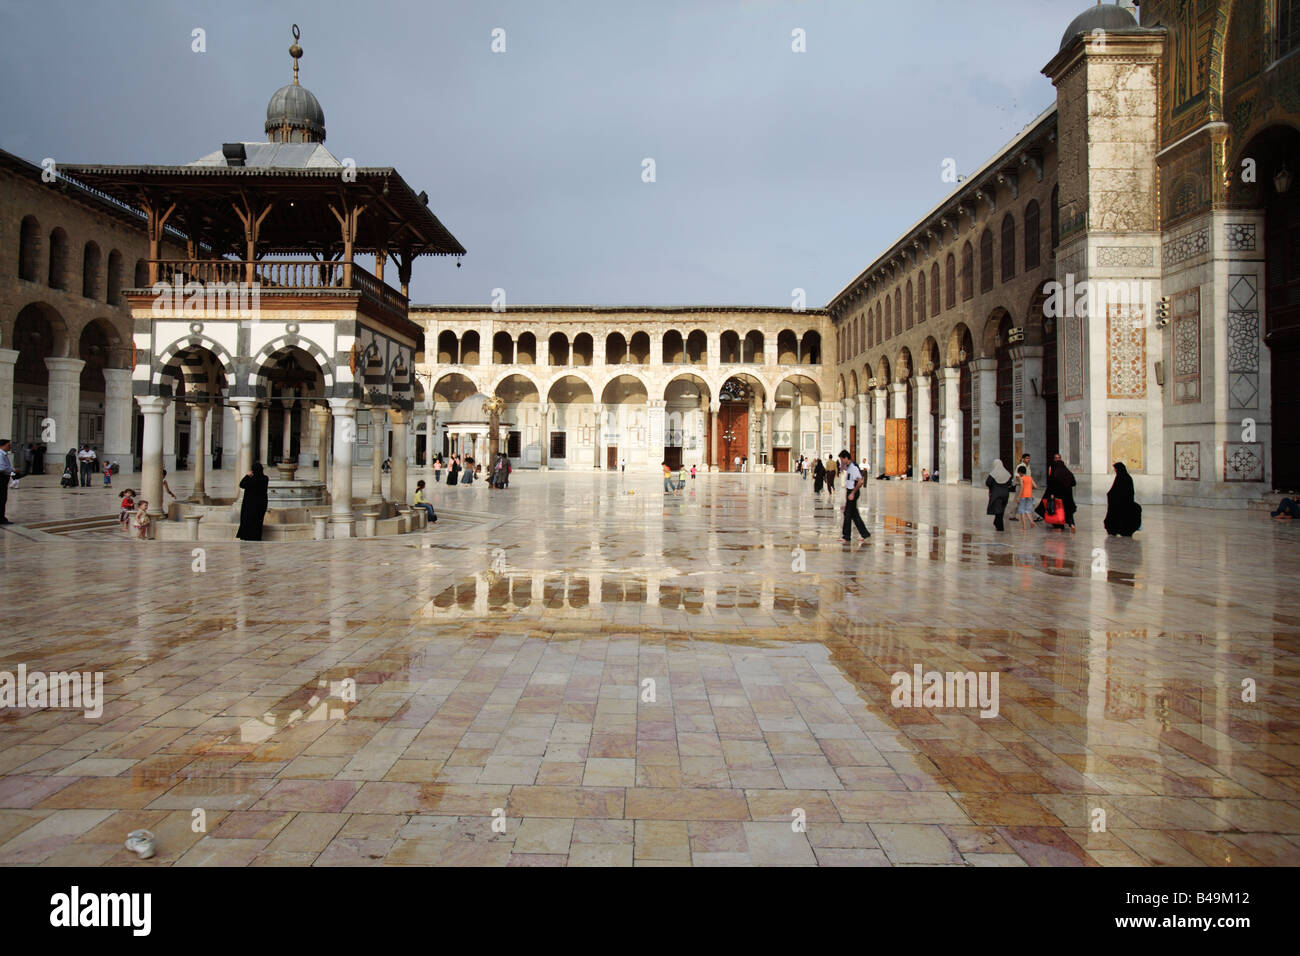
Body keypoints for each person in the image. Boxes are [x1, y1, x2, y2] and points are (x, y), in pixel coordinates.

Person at [1037, 453, 1078, 532]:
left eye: (1058, 458)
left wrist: (1052, 494)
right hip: (1068, 495)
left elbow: (1052, 484)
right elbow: (1074, 483)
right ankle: (1072, 524)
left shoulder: (1055, 473)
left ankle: (1059, 527)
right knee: (1068, 510)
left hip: (1059, 495)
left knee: (1059, 510)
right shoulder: (1067, 472)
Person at [838, 449, 871, 544]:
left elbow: (860, 481)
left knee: (847, 514)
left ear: (846, 458)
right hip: (850, 491)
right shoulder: (849, 467)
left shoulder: (853, 468)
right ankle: (865, 534)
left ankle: (846, 536)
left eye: (842, 459)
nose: (841, 462)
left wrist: (852, 493)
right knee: (854, 515)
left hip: (853, 492)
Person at [1104, 461, 1141, 536]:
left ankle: (1117, 529)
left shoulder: (1121, 478)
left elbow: (1117, 491)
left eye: (1115, 469)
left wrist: (1111, 495)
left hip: (1122, 503)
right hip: (1125, 501)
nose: (1115, 471)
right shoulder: (1126, 477)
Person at [236, 463, 270, 541]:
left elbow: (241, 484)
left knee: (248, 521)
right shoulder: (265, 478)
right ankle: (256, 537)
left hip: (249, 505)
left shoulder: (251, 479)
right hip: (261, 505)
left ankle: (247, 536)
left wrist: (247, 476)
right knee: (258, 522)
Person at [985, 459, 1014, 532]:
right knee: (1001, 509)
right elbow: (1010, 483)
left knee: (998, 510)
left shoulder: (993, 474)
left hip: (996, 493)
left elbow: (988, 483)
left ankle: (1000, 526)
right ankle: (997, 523)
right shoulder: (1006, 473)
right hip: (1005, 493)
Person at [1015, 464, 1035, 531]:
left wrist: (1018, 497)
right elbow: (1035, 486)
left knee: (1022, 511)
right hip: (1030, 495)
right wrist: (1029, 488)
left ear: (1020, 472)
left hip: (1023, 495)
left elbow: (1022, 487)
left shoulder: (1021, 478)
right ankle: (1031, 521)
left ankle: (1024, 527)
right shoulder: (1030, 478)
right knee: (1027, 510)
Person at [0, 439, 13, 525]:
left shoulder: (4, 455)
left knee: (3, 498)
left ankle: (1, 517)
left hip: (4, 479)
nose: (10, 447)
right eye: (8, 445)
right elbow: (2, 468)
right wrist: (13, 470)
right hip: (1, 478)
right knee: (1, 498)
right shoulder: (0, 455)